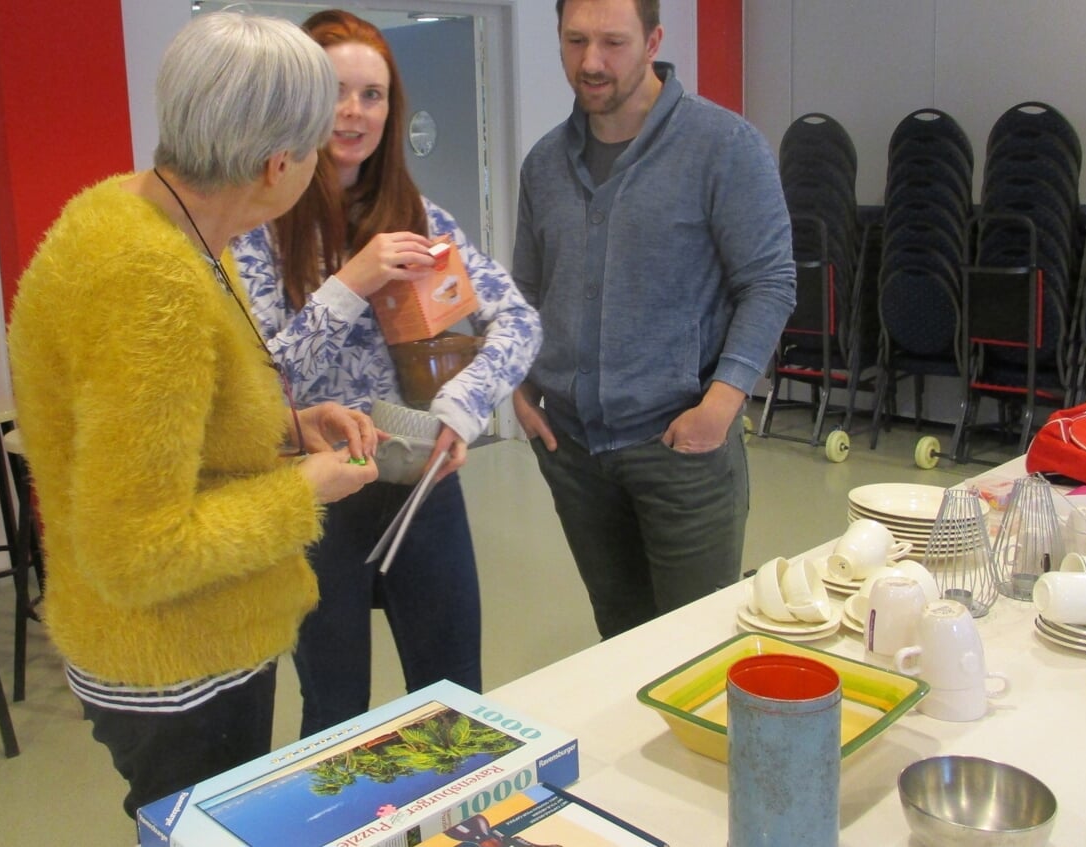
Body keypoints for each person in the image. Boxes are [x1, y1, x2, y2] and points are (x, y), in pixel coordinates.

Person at [6, 13, 381, 820]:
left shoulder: (140, 214)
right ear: (278, 163)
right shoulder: (152, 282)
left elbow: (159, 425)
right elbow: (138, 548)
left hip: (175, 641)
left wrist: (288, 428)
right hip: (177, 659)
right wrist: (304, 488)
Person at [232, 9, 541, 738]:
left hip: (417, 487)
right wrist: (350, 283)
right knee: (335, 712)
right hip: (315, 495)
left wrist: (462, 410)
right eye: (335, 90)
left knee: (456, 701)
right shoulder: (256, 224)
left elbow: (519, 319)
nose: (354, 111)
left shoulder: (419, 218)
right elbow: (261, 387)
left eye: (372, 95)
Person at [511, 0, 796, 639]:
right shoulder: (544, 164)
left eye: (612, 42)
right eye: (575, 41)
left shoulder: (723, 146)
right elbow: (525, 290)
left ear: (654, 40)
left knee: (697, 643)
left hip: (681, 448)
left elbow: (770, 282)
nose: (591, 62)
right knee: (619, 636)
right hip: (573, 453)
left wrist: (721, 406)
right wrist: (517, 390)